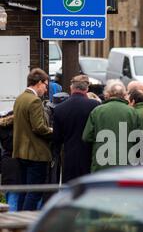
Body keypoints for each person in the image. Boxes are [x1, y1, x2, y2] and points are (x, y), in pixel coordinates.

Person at [13, 68, 52, 210]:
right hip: (36, 154)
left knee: (24, 190)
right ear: (39, 83)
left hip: (20, 152)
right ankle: (25, 225)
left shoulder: (20, 98)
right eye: (46, 85)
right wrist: (54, 131)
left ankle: (18, 222)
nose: (46, 90)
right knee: (34, 193)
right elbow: (39, 127)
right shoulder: (34, 100)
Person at [82, 80, 140, 171]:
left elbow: (87, 137)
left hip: (101, 161)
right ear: (124, 94)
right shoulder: (132, 112)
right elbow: (137, 138)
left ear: (107, 94)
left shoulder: (97, 111)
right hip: (125, 161)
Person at [53, 75, 99, 183]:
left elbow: (57, 138)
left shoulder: (59, 109)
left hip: (69, 157)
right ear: (87, 89)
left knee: (70, 190)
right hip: (90, 155)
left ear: (71, 88)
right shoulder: (95, 106)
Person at [0, 110, 21, 211]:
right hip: (16, 163)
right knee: (15, 195)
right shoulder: (19, 129)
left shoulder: (2, 128)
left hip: (5, 163)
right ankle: (13, 224)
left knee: (9, 193)